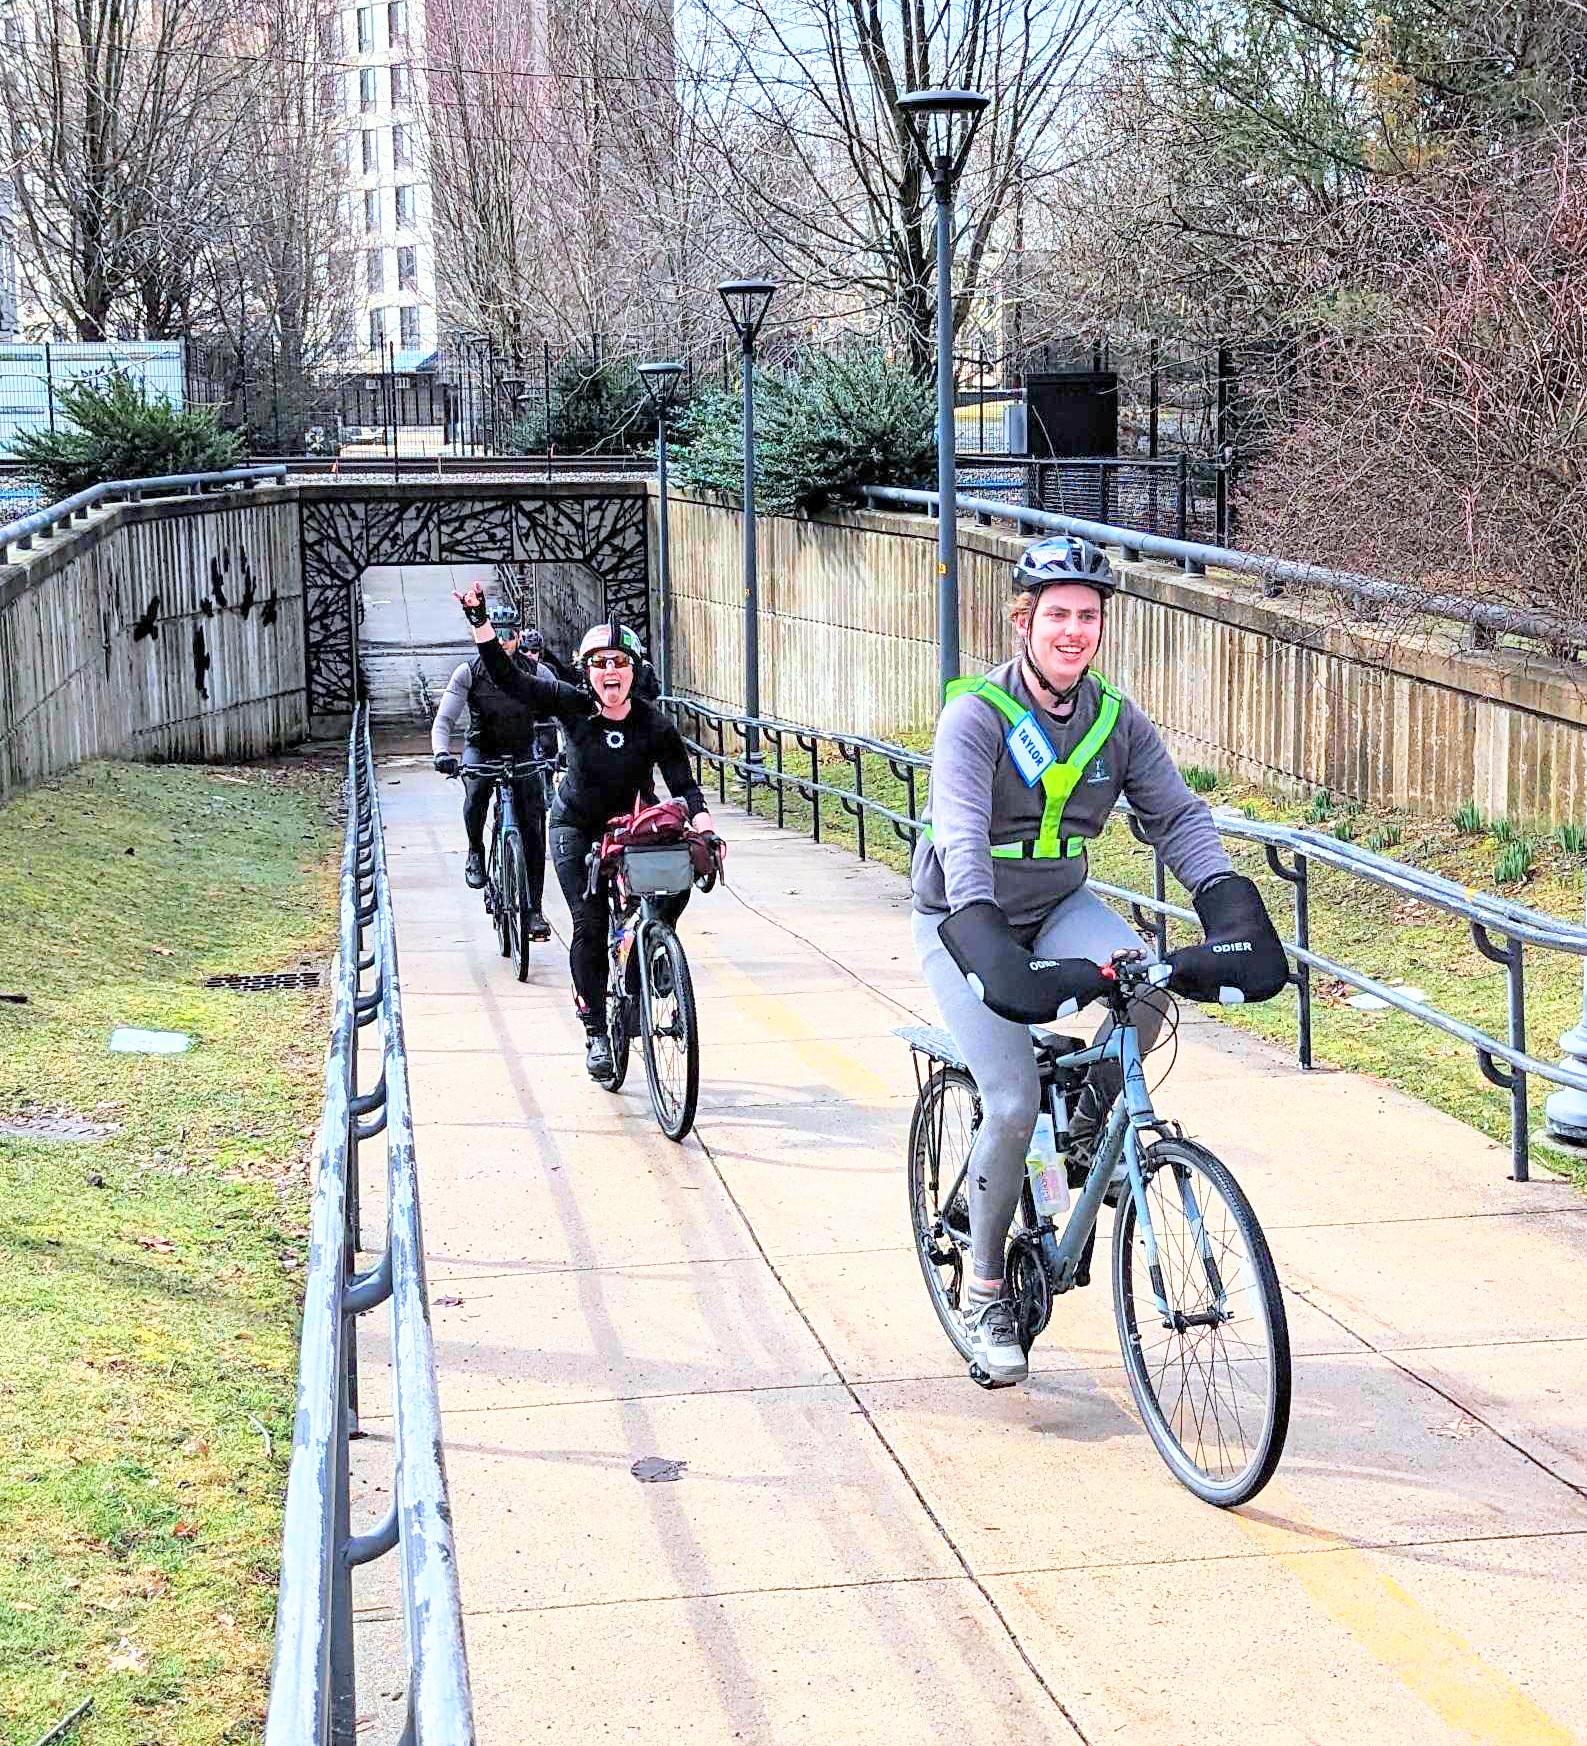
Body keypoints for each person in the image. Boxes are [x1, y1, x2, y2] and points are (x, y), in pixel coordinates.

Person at [912, 534, 1288, 1386]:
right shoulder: (975, 714)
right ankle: (984, 1291)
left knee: (1149, 983)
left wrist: (1228, 904)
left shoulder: (1115, 722)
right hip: (962, 917)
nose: (1072, 631)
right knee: (1009, 1105)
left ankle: (1085, 1131)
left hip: (1057, 907)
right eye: (1056, 616)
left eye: (1087, 616)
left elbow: (1180, 820)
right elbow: (962, 837)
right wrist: (986, 948)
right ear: (1023, 622)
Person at [453, 583, 719, 1077]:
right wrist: (480, 624)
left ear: (633, 670)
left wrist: (704, 827)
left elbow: (683, 784)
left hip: (635, 829)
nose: (610, 672)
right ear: (587, 673)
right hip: (575, 827)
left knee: (673, 885)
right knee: (590, 925)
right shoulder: (571, 705)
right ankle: (597, 1028)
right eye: (600, 664)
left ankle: (653, 949)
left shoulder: (654, 724)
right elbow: (509, 679)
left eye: (618, 662)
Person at [431, 600, 553, 939]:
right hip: (482, 748)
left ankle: (533, 911)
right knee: (476, 795)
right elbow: (444, 720)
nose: (502, 641)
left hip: (523, 750)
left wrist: (567, 751)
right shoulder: (468, 673)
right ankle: (475, 850)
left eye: (509, 635)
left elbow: (562, 714)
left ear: (517, 638)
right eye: (495, 634)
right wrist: (442, 752)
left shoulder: (536, 673)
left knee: (533, 828)